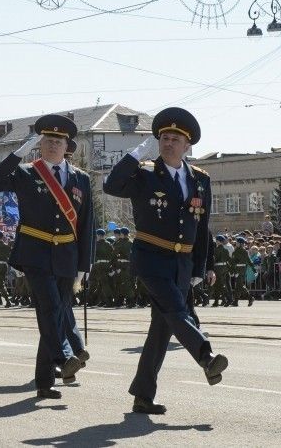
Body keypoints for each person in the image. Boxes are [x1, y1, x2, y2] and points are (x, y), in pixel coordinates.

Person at [103, 106, 227, 414]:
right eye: (163, 137)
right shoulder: (144, 173)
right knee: (176, 309)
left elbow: (202, 226)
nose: (168, 142)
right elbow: (111, 185)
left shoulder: (199, 179)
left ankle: (143, 395)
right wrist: (135, 154)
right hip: (151, 257)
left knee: (161, 330)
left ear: (187, 146)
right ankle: (206, 357)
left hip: (182, 263)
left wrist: (204, 265)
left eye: (175, 139)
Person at [0, 114, 92, 399]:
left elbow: (87, 225)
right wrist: (18, 152)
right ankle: (63, 357)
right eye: (47, 140)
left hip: (67, 255)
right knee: (49, 308)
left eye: (58, 141)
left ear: (67, 145)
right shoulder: (25, 172)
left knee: (55, 313)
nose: (52, 145)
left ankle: (45, 382)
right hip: (35, 252)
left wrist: (84, 265)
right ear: (39, 144)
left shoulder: (81, 178)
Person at [88, 229, 114, 307]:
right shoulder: (109, 244)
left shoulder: (96, 244)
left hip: (97, 265)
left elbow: (92, 255)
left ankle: (106, 301)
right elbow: (112, 256)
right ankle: (102, 300)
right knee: (103, 284)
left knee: (96, 283)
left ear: (99, 235)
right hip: (105, 265)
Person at [229, 237, 255, 307]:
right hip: (237, 269)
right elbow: (233, 262)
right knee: (238, 285)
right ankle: (236, 301)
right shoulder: (235, 251)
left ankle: (250, 298)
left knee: (239, 285)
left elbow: (248, 260)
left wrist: (253, 268)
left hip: (241, 269)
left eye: (237, 243)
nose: (236, 244)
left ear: (240, 244)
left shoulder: (243, 252)